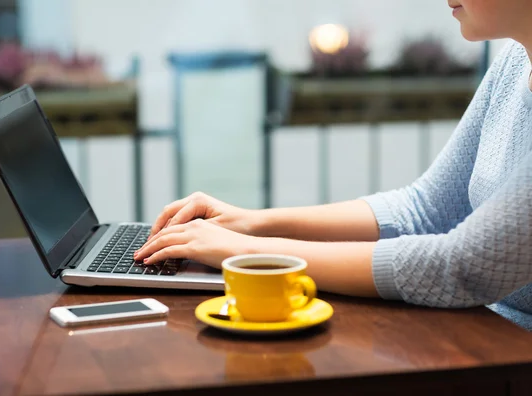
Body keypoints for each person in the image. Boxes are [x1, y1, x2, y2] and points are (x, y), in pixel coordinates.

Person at [135, 0, 532, 330]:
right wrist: (252, 221)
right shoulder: (515, 60)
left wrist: (250, 253)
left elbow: (462, 267)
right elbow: (427, 209)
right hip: (491, 335)